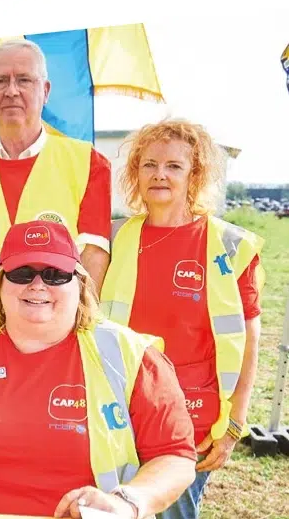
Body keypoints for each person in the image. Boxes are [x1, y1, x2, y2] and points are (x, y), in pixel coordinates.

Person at [0, 220, 197, 518]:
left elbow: (175, 456)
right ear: (1, 284)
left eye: (55, 274)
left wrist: (127, 502)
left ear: (79, 283)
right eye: (22, 273)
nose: (38, 284)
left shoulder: (130, 357)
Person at [101, 119, 265, 519]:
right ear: (134, 172)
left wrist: (235, 424)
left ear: (195, 175)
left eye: (174, 166)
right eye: (149, 164)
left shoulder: (230, 245)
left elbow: (248, 343)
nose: (160, 174)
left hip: (190, 417)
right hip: (117, 413)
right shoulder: (111, 238)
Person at [0, 38, 112, 330]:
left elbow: (94, 257)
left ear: (45, 90)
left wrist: (70, 327)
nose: (12, 90)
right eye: (1, 81)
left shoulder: (87, 164)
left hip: (51, 337)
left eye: (24, 80)